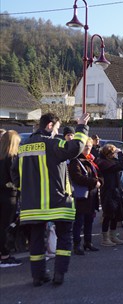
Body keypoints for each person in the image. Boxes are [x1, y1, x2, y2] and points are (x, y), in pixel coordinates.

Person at [11, 112, 90, 286]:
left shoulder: (23, 147)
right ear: (49, 126)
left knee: (36, 240)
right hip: (58, 202)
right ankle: (59, 274)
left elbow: (15, 175)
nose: (57, 131)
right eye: (57, 127)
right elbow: (75, 148)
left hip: (32, 205)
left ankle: (38, 276)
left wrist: (26, 191)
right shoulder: (53, 143)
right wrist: (81, 127)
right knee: (64, 237)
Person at [68, 138, 102, 255]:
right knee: (79, 221)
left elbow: (99, 175)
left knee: (89, 220)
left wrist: (99, 182)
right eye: (86, 146)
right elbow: (77, 177)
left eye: (90, 146)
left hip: (91, 195)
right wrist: (94, 182)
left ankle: (88, 242)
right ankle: (77, 245)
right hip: (82, 196)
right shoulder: (75, 161)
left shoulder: (92, 160)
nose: (88, 148)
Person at [95, 143, 123, 247]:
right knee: (108, 215)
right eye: (112, 153)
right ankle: (105, 238)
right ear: (108, 154)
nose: (114, 154)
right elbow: (122, 165)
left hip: (115, 190)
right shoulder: (103, 163)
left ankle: (113, 236)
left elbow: (119, 165)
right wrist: (121, 154)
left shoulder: (110, 162)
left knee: (115, 215)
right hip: (108, 191)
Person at [0, 131, 22, 267]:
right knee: (6, 226)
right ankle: (5, 255)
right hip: (10, 196)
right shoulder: (12, 157)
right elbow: (16, 179)